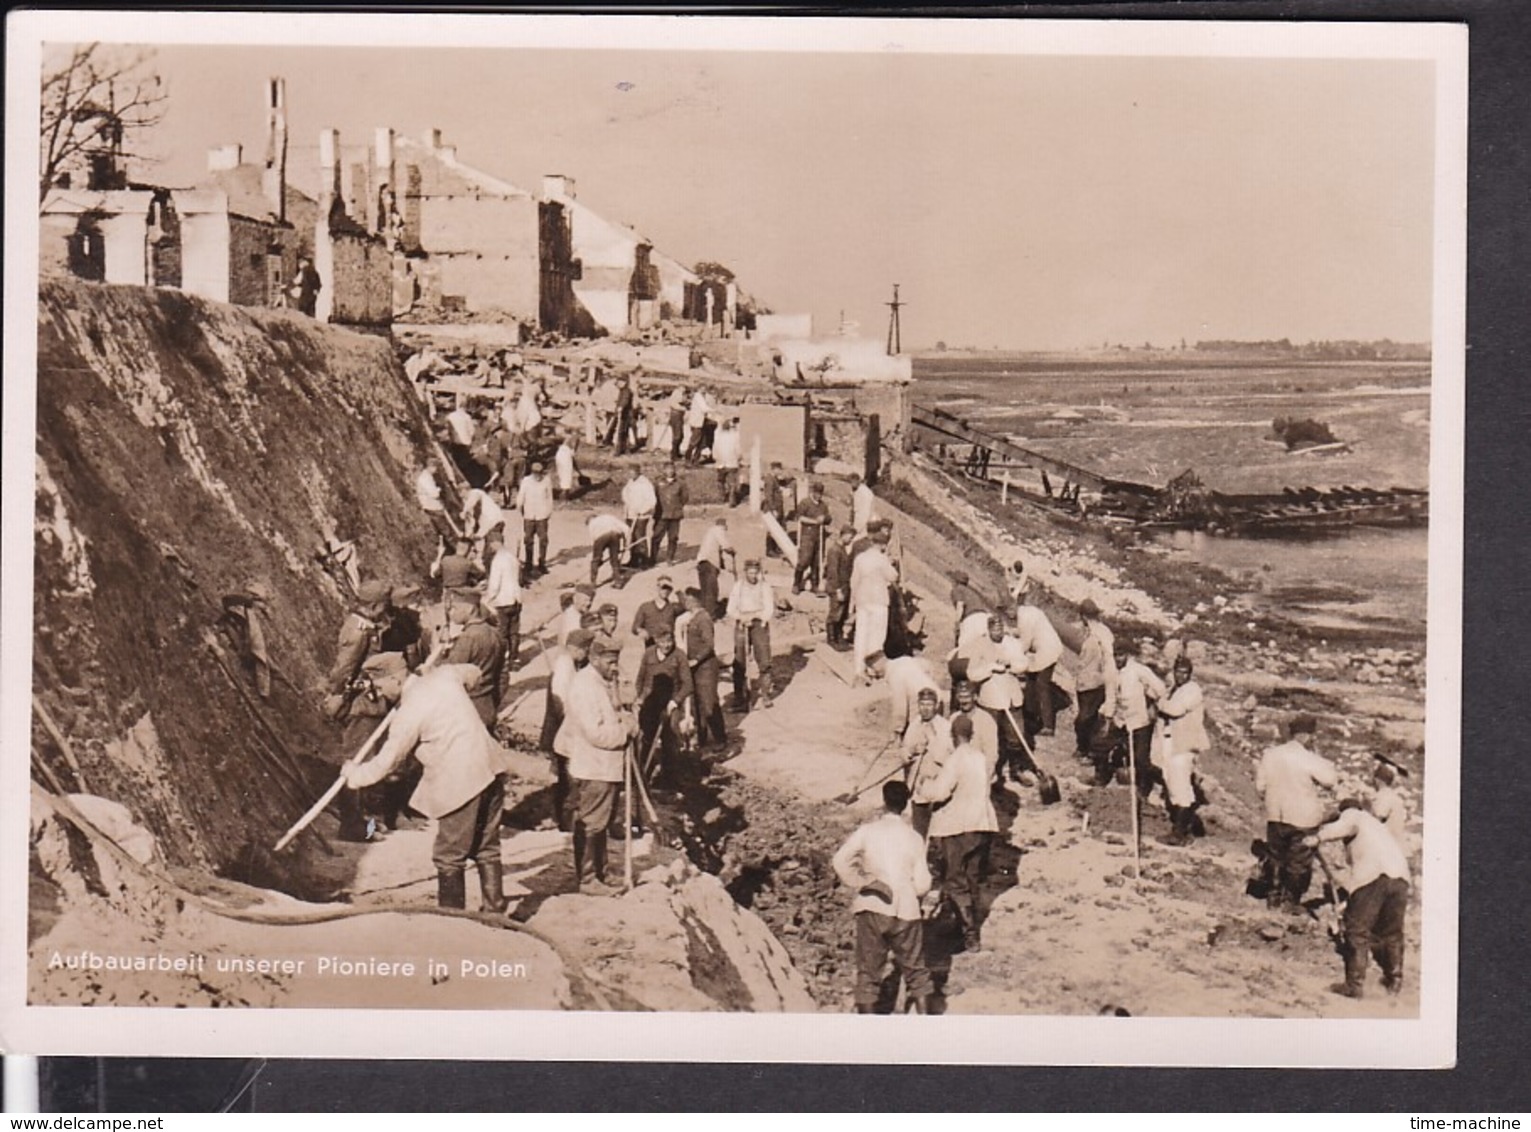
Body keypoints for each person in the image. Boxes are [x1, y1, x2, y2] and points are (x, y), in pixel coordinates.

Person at [342, 663, 510, 913]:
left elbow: (388, 761)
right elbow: (473, 673)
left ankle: (451, 918)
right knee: (487, 845)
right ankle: (495, 909)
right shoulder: (445, 676)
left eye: (380, 686)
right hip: (492, 767)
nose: (379, 693)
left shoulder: (409, 712)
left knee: (449, 854)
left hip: (462, 780)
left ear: (396, 680)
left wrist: (354, 776)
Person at [831, 780, 937, 1015]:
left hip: (873, 906)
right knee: (917, 973)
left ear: (884, 801)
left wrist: (867, 881)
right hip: (906, 911)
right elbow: (923, 883)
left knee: (869, 973)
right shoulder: (914, 838)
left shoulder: (868, 831)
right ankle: (927, 1025)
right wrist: (910, 892)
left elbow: (840, 861)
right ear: (906, 804)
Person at [556, 637, 637, 896]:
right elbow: (596, 733)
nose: (615, 667)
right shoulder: (584, 688)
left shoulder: (601, 682)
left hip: (605, 766)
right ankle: (588, 878)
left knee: (601, 822)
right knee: (592, 822)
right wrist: (625, 731)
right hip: (593, 766)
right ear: (594, 659)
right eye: (611, 662)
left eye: (616, 662)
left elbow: (616, 709)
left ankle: (600, 872)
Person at [1307, 799, 1412, 998]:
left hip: (1374, 875)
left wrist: (1318, 837)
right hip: (1400, 877)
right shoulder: (1377, 826)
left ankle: (1354, 986)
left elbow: (1346, 825)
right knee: (1392, 932)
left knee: (1356, 930)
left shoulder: (1354, 816)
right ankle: (1394, 980)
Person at [917, 713, 999, 951]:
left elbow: (941, 792)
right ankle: (963, 925)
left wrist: (925, 784)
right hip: (983, 824)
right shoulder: (982, 759)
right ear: (972, 735)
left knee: (954, 880)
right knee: (972, 878)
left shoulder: (956, 760)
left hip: (958, 827)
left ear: (953, 737)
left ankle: (969, 935)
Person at [323, 579, 395, 841]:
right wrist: (338, 696)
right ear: (374, 606)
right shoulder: (359, 630)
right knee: (356, 763)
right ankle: (352, 827)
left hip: (368, 701)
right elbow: (343, 670)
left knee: (366, 763)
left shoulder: (366, 626)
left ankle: (366, 823)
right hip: (360, 704)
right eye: (384, 606)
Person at [1255, 713, 1339, 913]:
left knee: (1276, 856)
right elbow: (1330, 780)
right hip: (1302, 818)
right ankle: (1290, 902)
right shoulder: (1308, 758)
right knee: (1298, 861)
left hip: (1276, 815)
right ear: (1308, 736)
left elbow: (1260, 786)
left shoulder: (1271, 754)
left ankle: (1273, 897)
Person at [960, 613, 1036, 785]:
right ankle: (991, 772)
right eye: (994, 629)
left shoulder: (1012, 644)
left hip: (1012, 697)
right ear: (988, 630)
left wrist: (1010, 665)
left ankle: (1015, 770)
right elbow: (971, 674)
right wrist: (990, 667)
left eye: (1000, 628)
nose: (997, 632)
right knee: (990, 738)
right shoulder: (979, 646)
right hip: (991, 699)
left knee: (1016, 736)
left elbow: (1024, 664)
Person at [539, 628, 591, 832]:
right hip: (562, 729)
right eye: (585, 650)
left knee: (563, 776)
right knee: (568, 776)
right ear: (577, 649)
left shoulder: (569, 663)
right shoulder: (564, 667)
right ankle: (565, 821)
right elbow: (560, 700)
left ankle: (561, 817)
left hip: (564, 728)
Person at [1155, 656, 1210, 845]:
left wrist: (1159, 702)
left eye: (1184, 672)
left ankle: (1180, 833)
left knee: (1181, 787)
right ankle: (1183, 829)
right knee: (1171, 783)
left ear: (1190, 674)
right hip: (1170, 741)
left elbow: (1174, 710)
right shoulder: (1173, 689)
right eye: (1178, 671)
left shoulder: (1193, 690)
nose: (1180, 675)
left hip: (1184, 744)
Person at [634, 626, 694, 783]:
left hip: (670, 702)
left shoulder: (679, 656)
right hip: (650, 700)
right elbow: (640, 679)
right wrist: (639, 698)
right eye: (663, 641)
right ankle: (642, 774)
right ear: (655, 640)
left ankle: (670, 777)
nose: (667, 645)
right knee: (645, 736)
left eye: (670, 640)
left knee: (670, 736)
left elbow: (688, 684)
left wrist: (675, 701)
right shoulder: (648, 654)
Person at [1112, 638, 1168, 795]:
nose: (1118, 658)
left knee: (1141, 760)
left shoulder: (1138, 670)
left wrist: (1152, 704)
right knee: (1120, 755)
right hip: (1124, 721)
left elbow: (1161, 689)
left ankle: (1161, 781)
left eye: (1121, 655)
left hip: (1141, 722)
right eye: (1115, 655)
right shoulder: (1116, 672)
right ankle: (1131, 785)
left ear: (1128, 655)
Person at [901, 687, 954, 839]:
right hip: (917, 785)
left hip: (937, 783)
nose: (925, 708)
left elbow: (947, 758)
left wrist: (931, 741)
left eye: (929, 704)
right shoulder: (914, 724)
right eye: (922, 704)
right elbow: (904, 750)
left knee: (940, 827)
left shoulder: (945, 727)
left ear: (937, 705)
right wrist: (909, 753)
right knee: (919, 827)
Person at [1012, 589, 1064, 741]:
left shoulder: (1024, 618)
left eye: (1009, 610)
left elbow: (1025, 643)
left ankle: (1048, 725)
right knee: (1031, 682)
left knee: (1042, 686)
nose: (1009, 615)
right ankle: (1031, 714)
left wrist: (1012, 657)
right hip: (1047, 647)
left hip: (1047, 651)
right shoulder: (1028, 611)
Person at [681, 587, 728, 752]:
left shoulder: (704, 618)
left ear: (694, 600)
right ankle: (701, 737)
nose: (684, 602)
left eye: (686, 599)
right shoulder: (692, 618)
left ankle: (720, 738)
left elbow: (709, 644)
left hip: (706, 667)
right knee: (697, 704)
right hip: (695, 667)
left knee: (709, 703)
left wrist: (696, 659)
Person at [848, 526, 899, 678]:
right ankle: (873, 668)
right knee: (876, 637)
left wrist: (853, 602)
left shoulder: (860, 558)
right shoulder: (882, 559)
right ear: (883, 545)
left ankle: (858, 668)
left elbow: (853, 581)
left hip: (862, 601)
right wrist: (891, 563)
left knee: (861, 635)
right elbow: (893, 577)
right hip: (878, 602)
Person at [726, 558, 776, 711]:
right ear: (745, 572)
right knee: (740, 661)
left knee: (764, 659)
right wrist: (742, 618)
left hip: (759, 624)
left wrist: (757, 617)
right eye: (750, 573)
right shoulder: (738, 587)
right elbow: (730, 609)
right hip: (742, 623)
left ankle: (766, 694)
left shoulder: (764, 587)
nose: (753, 576)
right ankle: (740, 697)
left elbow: (769, 609)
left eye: (756, 573)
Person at [445, 600, 504, 728]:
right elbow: (503, 674)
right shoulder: (495, 632)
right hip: (488, 703)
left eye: (454, 608)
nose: (451, 613)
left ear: (470, 608)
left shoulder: (467, 638)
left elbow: (449, 674)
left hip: (468, 707)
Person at [1074, 598, 1117, 761]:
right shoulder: (1104, 631)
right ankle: (1085, 748)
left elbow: (1092, 659)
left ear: (1083, 616)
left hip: (1092, 681)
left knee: (1086, 718)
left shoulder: (1094, 635)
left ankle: (1088, 750)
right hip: (1096, 679)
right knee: (1088, 717)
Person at [865, 650, 941, 742]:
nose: (877, 676)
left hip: (921, 704)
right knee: (936, 736)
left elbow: (900, 706)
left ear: (876, 666)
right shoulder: (904, 660)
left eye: (874, 670)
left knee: (917, 739)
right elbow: (928, 666)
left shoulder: (895, 675)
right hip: (937, 697)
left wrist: (897, 730)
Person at [482, 531, 522, 693]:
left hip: (503, 600)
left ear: (494, 543)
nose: (490, 547)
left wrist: (487, 598)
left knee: (502, 632)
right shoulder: (512, 557)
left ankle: (504, 659)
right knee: (514, 631)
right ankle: (515, 659)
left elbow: (495, 584)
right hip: (516, 598)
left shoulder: (497, 561)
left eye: (491, 544)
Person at [950, 678, 1000, 784]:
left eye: (967, 697)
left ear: (975, 697)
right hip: (958, 771)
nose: (963, 701)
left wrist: (984, 775)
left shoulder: (986, 719)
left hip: (980, 771)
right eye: (960, 697)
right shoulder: (953, 718)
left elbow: (991, 754)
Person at [791, 481, 833, 595]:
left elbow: (829, 519)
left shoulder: (823, 505)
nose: (818, 495)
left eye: (820, 493)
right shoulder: (805, 503)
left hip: (819, 537)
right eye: (817, 493)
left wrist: (824, 518)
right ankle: (796, 583)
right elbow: (799, 517)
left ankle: (815, 586)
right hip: (807, 536)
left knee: (817, 562)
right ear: (813, 492)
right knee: (804, 560)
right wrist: (815, 521)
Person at [519, 461, 555, 579]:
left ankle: (542, 563)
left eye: (539, 473)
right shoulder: (526, 481)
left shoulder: (547, 481)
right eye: (535, 473)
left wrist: (549, 512)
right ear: (532, 472)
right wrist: (521, 510)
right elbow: (521, 497)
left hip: (542, 515)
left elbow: (549, 497)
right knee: (528, 539)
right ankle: (529, 563)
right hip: (529, 514)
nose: (537, 475)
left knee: (543, 539)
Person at [1368, 758, 1411, 854]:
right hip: (1395, 845)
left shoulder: (1383, 796)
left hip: (1389, 848)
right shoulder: (1393, 795)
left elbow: (1378, 818)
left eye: (1374, 778)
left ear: (1378, 780)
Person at [695, 516, 736, 617]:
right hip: (710, 563)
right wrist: (733, 551)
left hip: (701, 563)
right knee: (712, 590)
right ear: (723, 525)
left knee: (705, 590)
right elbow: (725, 546)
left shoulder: (710, 532)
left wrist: (724, 567)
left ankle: (704, 613)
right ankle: (711, 615)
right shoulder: (719, 530)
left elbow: (718, 551)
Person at [824, 525, 855, 648]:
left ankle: (839, 636)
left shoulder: (841, 549)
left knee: (842, 614)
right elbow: (833, 572)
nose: (851, 540)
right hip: (837, 588)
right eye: (850, 537)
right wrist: (837, 590)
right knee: (835, 614)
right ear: (844, 535)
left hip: (844, 587)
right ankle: (831, 639)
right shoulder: (834, 550)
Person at [622, 466, 658, 569]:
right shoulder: (630, 482)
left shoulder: (645, 484)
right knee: (631, 536)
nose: (630, 474)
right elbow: (625, 495)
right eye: (629, 473)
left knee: (640, 537)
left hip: (641, 516)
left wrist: (642, 510)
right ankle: (633, 560)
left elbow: (652, 501)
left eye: (632, 472)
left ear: (638, 472)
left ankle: (644, 561)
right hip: (630, 514)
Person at [632, 575, 681, 645]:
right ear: (657, 587)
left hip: (668, 646)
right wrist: (641, 631)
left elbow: (687, 605)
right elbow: (635, 627)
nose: (666, 590)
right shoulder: (645, 607)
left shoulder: (673, 607)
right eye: (663, 587)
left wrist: (678, 591)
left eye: (669, 588)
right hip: (651, 646)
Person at [654, 464, 688, 565]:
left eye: (672, 469)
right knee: (656, 536)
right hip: (661, 514)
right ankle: (653, 558)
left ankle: (670, 558)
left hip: (675, 514)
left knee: (673, 537)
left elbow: (684, 498)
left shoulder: (680, 483)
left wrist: (677, 506)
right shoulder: (658, 482)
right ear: (664, 470)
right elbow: (654, 496)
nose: (670, 471)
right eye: (667, 469)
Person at [587, 512, 629, 588]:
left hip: (601, 537)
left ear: (589, 520)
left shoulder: (592, 524)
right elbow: (626, 528)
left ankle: (593, 583)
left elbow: (594, 542)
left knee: (595, 560)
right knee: (614, 560)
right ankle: (618, 582)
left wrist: (598, 560)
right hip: (615, 535)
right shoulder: (608, 517)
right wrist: (625, 543)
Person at [712, 416, 743, 504]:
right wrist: (739, 458)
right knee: (732, 482)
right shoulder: (735, 436)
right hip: (732, 462)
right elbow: (738, 450)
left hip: (720, 462)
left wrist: (716, 458)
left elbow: (715, 449)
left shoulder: (718, 436)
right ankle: (732, 498)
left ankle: (722, 497)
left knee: (720, 481)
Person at [685, 387, 713, 464]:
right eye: (703, 389)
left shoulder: (700, 397)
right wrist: (715, 410)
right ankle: (688, 458)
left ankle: (695, 460)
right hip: (697, 423)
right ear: (699, 389)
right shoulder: (698, 397)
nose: (704, 391)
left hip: (699, 422)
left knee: (701, 442)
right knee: (694, 441)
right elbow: (704, 408)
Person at [554, 434, 579, 501]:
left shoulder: (568, 437)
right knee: (567, 478)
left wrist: (577, 470)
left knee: (563, 477)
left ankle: (564, 497)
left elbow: (572, 458)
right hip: (565, 456)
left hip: (560, 454)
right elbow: (572, 452)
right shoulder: (575, 438)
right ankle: (564, 499)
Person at [665, 386, 688, 460]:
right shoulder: (677, 393)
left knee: (680, 435)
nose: (684, 389)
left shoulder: (680, 393)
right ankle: (674, 454)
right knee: (678, 435)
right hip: (676, 415)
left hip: (678, 415)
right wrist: (684, 408)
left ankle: (676, 452)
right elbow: (674, 404)